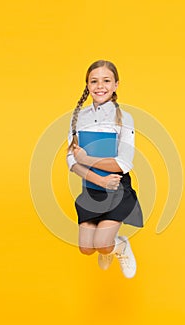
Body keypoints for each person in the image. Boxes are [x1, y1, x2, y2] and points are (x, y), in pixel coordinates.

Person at [67, 60, 143, 278]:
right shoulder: (78, 117)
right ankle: (109, 245)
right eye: (94, 81)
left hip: (117, 189)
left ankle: (119, 246)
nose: (100, 86)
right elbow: (72, 160)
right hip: (92, 187)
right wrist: (97, 179)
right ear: (88, 85)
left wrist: (87, 159)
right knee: (86, 248)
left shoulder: (124, 118)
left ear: (116, 84)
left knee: (102, 243)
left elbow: (123, 163)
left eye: (106, 80)